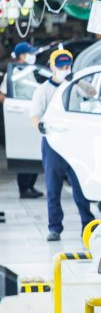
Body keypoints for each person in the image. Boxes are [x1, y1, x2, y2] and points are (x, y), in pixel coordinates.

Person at [31, 49, 97, 241]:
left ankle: (88, 224)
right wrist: (42, 127)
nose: (63, 70)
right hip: (52, 144)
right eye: (60, 67)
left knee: (80, 186)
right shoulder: (43, 90)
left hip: (75, 144)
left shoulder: (74, 86)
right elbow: (35, 116)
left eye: (67, 66)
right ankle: (54, 228)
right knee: (53, 188)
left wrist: (76, 79)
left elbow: (93, 93)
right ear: (52, 67)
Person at [1, 42, 43, 199]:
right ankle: (24, 188)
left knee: (33, 151)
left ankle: (30, 186)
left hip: (31, 116)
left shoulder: (29, 71)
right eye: (29, 53)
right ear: (22, 56)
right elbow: (2, 94)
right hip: (20, 117)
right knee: (25, 152)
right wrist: (14, 106)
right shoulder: (13, 73)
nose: (32, 56)